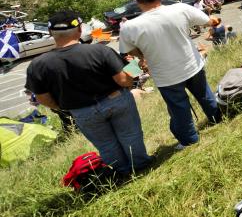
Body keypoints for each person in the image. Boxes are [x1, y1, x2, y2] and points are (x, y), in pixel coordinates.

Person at [26, 11, 151, 175]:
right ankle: (141, 166)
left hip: (82, 111)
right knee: (130, 135)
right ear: (79, 30)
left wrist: (63, 106)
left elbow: (42, 98)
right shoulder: (100, 51)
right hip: (116, 100)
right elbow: (124, 81)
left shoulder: (37, 65)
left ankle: (120, 172)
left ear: (50, 33)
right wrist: (134, 65)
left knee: (106, 144)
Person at [118, 0, 222, 148]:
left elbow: (128, 51)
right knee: (204, 94)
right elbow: (208, 21)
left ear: (137, 1)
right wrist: (214, 20)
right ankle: (217, 118)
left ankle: (190, 140)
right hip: (191, 64)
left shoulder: (129, 27)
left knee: (179, 109)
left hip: (165, 76)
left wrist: (143, 55)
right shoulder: (180, 9)